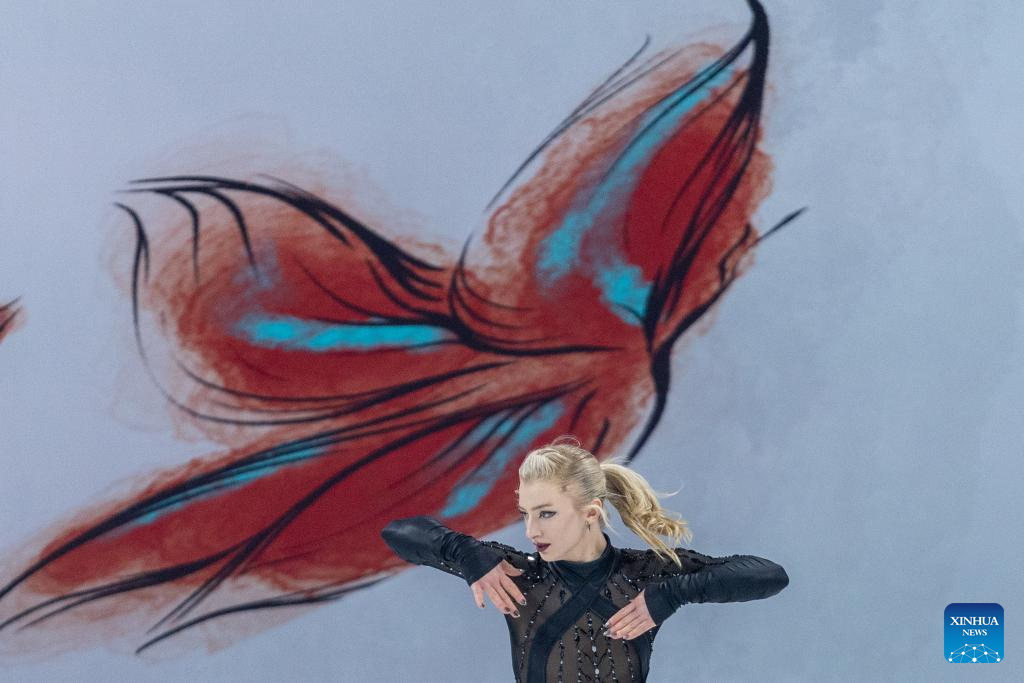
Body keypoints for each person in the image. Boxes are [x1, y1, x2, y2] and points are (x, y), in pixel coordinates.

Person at [381, 437, 789, 682]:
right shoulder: (515, 573)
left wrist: (672, 594)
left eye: (546, 513)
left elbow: (770, 575)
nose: (531, 531)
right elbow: (397, 533)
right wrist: (463, 550)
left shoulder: (645, 575)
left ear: (590, 512)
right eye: (525, 514)